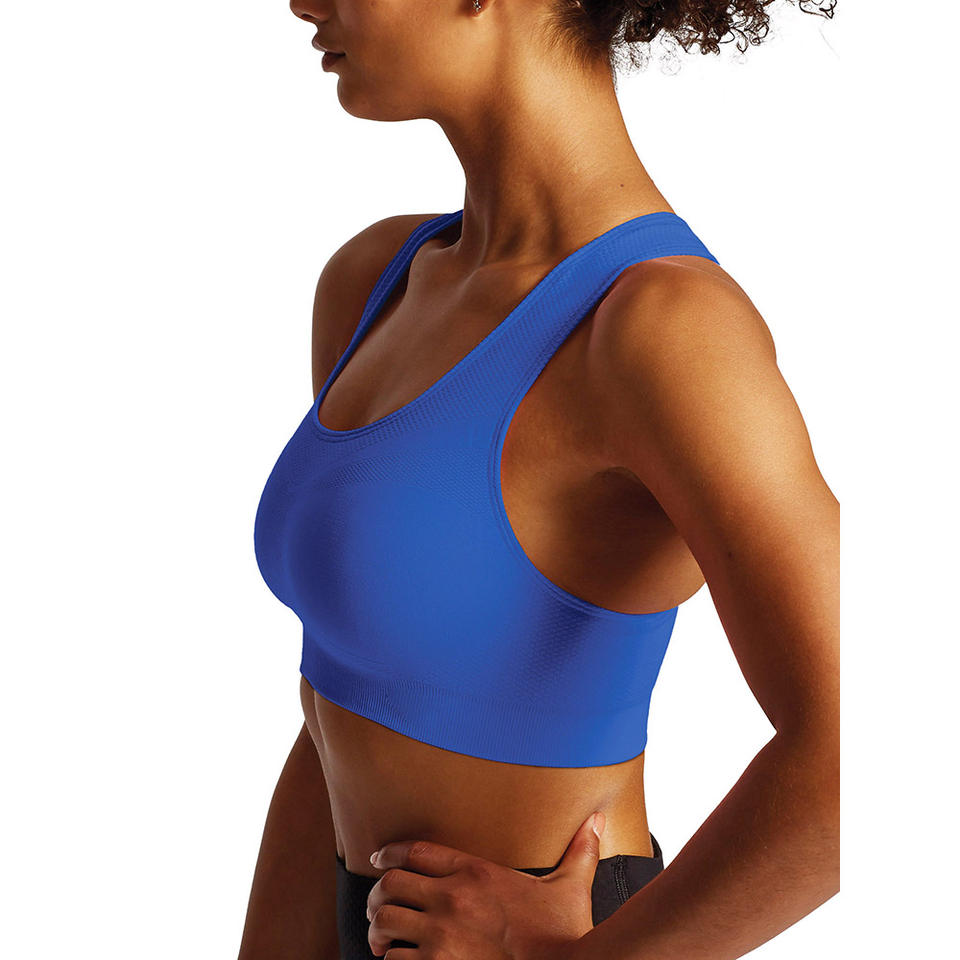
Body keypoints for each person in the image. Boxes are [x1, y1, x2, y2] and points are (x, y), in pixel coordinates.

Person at [240, 1, 840, 958]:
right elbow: (335, 709)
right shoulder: (377, 282)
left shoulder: (663, 331)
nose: (301, 2)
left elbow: (865, 748)